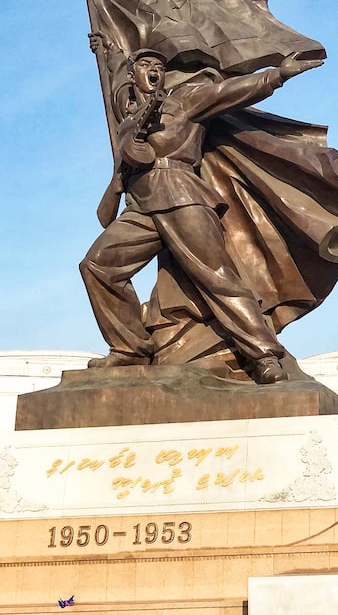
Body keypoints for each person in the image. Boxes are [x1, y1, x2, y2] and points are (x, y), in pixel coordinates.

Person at [80, 50, 323, 384]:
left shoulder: (183, 102)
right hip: (141, 207)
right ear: (131, 76)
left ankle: (263, 355)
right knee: (97, 266)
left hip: (183, 196)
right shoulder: (127, 125)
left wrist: (276, 75)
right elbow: (121, 174)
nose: (154, 70)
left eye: (159, 66)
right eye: (146, 66)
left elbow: (227, 93)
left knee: (216, 276)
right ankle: (130, 348)